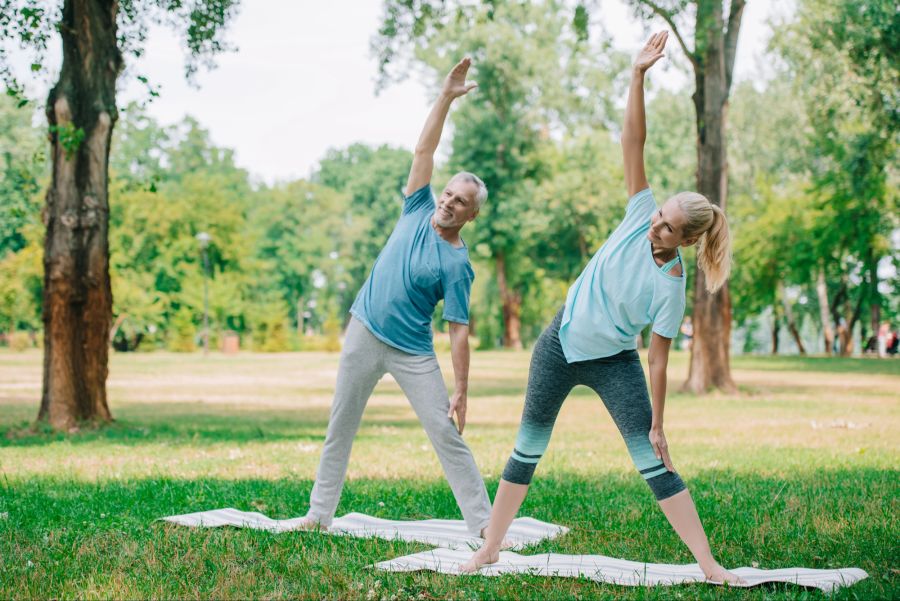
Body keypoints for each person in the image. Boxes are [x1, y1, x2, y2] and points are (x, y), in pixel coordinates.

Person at [461, 32, 743, 584]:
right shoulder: (640, 211)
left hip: (616, 363)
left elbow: (659, 360)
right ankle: (491, 547)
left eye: (667, 226)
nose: (655, 225)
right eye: (659, 214)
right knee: (526, 450)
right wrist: (637, 75)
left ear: (684, 241)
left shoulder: (671, 286)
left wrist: (660, 422)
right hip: (560, 344)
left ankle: (710, 566)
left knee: (655, 463)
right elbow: (632, 141)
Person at [295, 58, 492, 537]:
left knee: (445, 433)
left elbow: (459, 330)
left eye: (460, 201)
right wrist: (445, 96)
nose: (448, 201)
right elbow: (424, 146)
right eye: (448, 193)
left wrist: (461, 390)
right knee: (340, 426)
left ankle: (485, 526)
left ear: (471, 215)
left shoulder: (458, 264)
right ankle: (318, 515)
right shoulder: (417, 204)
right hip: (363, 330)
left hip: (412, 352)